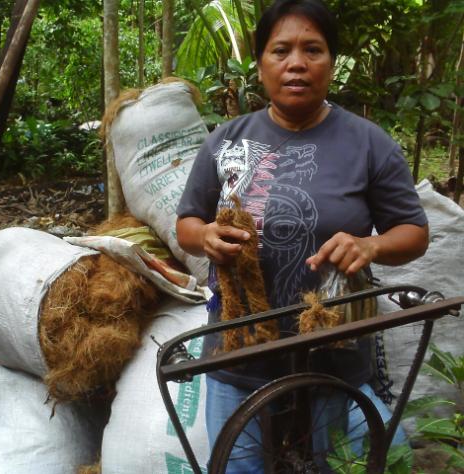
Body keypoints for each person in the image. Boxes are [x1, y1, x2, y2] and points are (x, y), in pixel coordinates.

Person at [175, 0, 429, 471]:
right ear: (260, 65)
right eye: (281, 51)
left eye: (313, 50)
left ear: (332, 63)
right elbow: (187, 222)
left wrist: (370, 244)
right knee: (239, 465)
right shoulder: (226, 141)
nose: (296, 63)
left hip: (334, 351)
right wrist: (205, 236)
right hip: (238, 351)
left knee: (351, 461)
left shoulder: (368, 144)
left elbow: (414, 233)